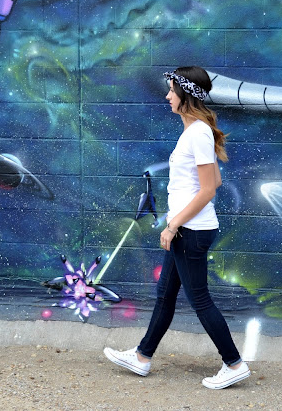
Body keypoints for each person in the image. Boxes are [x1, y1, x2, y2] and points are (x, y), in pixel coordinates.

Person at [103, 66, 250, 390]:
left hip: (190, 231)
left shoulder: (198, 133)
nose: (168, 95)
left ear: (186, 95)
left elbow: (208, 190)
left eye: (172, 90)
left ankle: (234, 364)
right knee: (165, 295)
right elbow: (216, 181)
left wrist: (173, 225)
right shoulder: (196, 131)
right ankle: (142, 357)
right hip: (189, 228)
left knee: (200, 300)